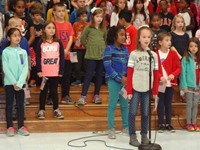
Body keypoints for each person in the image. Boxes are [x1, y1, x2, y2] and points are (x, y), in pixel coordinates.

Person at [127, 26, 159, 147]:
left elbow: (156, 75)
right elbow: (129, 74)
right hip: (135, 88)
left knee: (146, 113)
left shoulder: (153, 55)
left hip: (147, 89)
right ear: (139, 39)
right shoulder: (133, 54)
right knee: (133, 112)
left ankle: (144, 134)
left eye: (148, 37)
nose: (146, 39)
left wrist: (155, 91)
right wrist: (129, 90)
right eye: (144, 37)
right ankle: (132, 135)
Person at [2, 28, 29, 137]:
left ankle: (21, 126)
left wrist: (20, 82)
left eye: (18, 35)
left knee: (20, 104)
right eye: (14, 35)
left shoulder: (23, 52)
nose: (17, 38)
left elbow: (25, 68)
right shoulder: (5, 52)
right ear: (9, 38)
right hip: (9, 83)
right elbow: (6, 68)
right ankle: (10, 126)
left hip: (20, 83)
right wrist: (13, 82)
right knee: (9, 105)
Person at [103, 26, 129, 139]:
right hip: (113, 81)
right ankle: (111, 129)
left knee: (124, 105)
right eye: (121, 35)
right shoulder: (109, 49)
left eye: (125, 35)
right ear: (114, 36)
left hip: (125, 82)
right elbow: (107, 66)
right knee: (112, 105)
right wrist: (119, 78)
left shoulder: (125, 50)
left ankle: (126, 127)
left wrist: (127, 78)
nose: (124, 37)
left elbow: (129, 65)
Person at [78, 7, 107, 105]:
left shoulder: (103, 29)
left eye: (101, 17)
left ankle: (96, 95)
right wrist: (88, 47)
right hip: (91, 56)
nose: (99, 19)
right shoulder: (88, 28)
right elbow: (82, 40)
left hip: (101, 56)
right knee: (88, 76)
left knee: (99, 76)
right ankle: (83, 96)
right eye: (97, 16)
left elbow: (105, 40)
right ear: (93, 17)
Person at [36, 21, 65, 120]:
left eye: (53, 28)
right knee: (43, 91)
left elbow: (61, 57)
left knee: (54, 91)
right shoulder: (41, 42)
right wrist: (39, 70)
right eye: (49, 28)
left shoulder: (58, 42)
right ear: (44, 30)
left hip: (55, 72)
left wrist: (61, 70)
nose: (51, 30)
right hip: (44, 73)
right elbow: (38, 57)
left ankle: (56, 109)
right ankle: (41, 110)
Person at [156, 32, 181, 133]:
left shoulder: (173, 53)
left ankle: (168, 123)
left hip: (170, 84)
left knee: (168, 103)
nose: (169, 42)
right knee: (160, 103)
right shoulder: (156, 54)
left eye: (170, 40)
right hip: (161, 84)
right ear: (160, 42)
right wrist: (160, 76)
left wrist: (173, 75)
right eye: (166, 40)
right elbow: (155, 70)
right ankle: (161, 123)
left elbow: (179, 68)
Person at [53, 2, 76, 105]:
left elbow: (71, 37)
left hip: (67, 55)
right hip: (56, 55)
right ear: (54, 12)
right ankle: (51, 97)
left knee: (67, 76)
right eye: (59, 11)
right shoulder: (53, 24)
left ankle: (65, 96)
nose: (61, 13)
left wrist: (67, 49)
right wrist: (61, 51)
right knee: (55, 77)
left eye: (63, 11)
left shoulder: (68, 24)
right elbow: (53, 39)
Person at [180, 37, 200, 131]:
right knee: (189, 104)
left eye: (195, 46)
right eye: (191, 46)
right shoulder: (185, 59)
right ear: (188, 47)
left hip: (197, 86)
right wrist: (184, 86)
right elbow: (182, 73)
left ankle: (194, 123)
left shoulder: (199, 59)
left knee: (195, 104)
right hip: (188, 86)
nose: (193, 48)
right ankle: (188, 123)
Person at [71, 7, 88, 86]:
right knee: (77, 64)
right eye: (82, 16)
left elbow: (89, 36)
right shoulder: (75, 24)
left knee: (86, 64)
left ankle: (86, 80)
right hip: (76, 48)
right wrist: (76, 40)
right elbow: (72, 35)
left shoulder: (88, 25)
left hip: (85, 48)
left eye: (85, 16)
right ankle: (78, 79)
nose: (84, 18)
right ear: (78, 17)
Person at [29, 2, 44, 87]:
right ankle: (32, 79)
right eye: (37, 15)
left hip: (40, 47)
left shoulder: (42, 25)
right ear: (33, 16)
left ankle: (39, 80)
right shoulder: (31, 25)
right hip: (32, 47)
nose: (39, 17)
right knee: (33, 64)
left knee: (39, 63)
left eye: (40, 15)